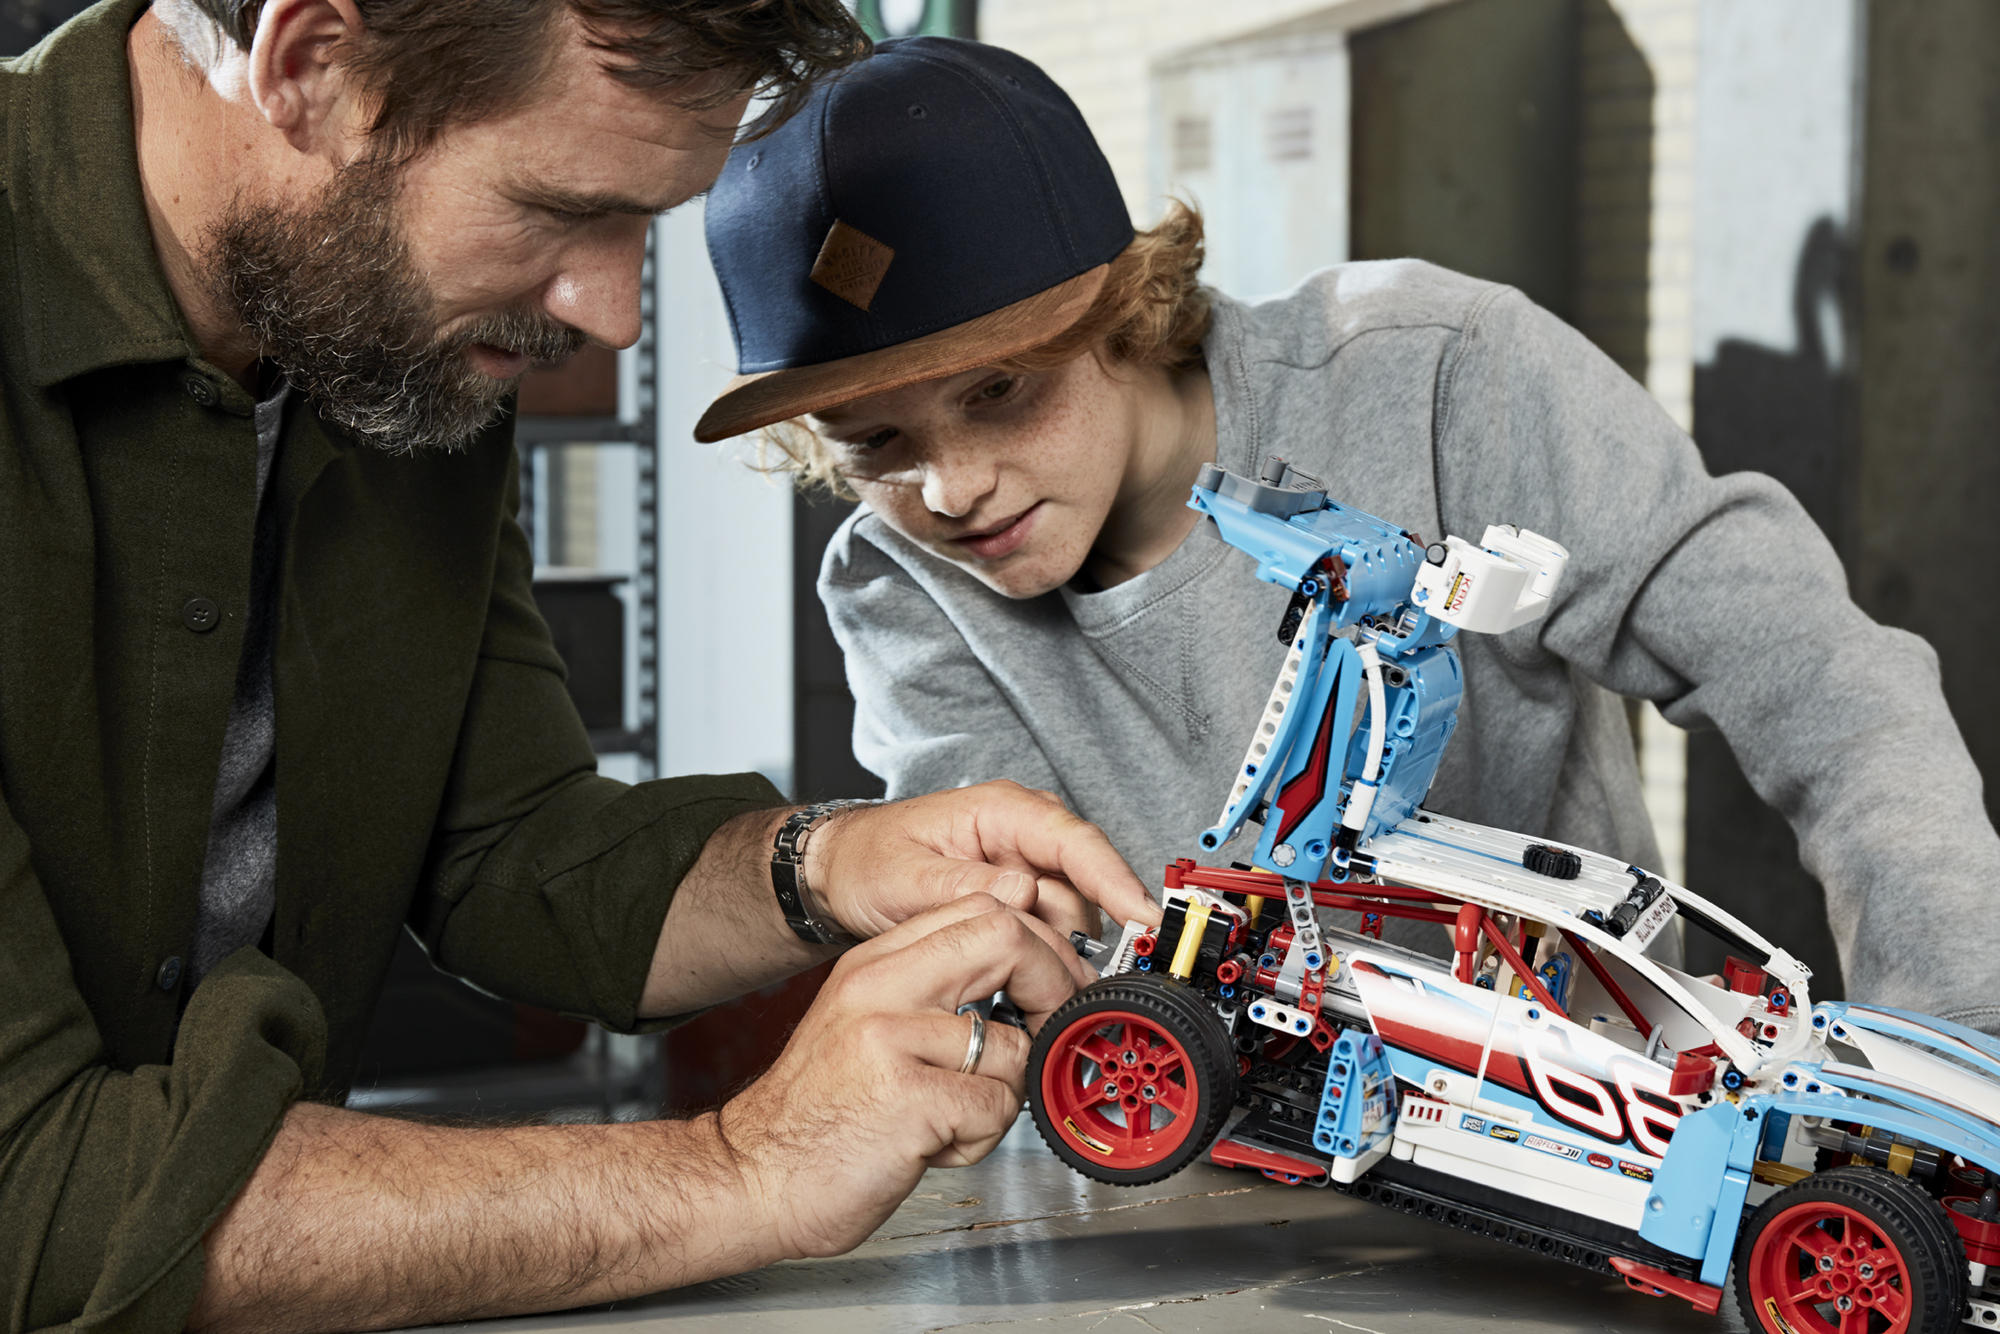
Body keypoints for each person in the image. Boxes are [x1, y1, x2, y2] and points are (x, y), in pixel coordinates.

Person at [0, 3, 1163, 1330]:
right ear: (311, 63)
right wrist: (748, 1166)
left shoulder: (378, 336)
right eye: (558, 209)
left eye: (645, 225)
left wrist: (827, 864)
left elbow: (507, 850)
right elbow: (29, 1188)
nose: (611, 313)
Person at [694, 37, 1999, 1036]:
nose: (953, 490)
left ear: (1123, 306)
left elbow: (1823, 684)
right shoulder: (898, 587)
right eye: (876, 442)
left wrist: (1949, 1054)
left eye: (999, 392)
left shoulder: (1439, 377)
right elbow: (1030, 959)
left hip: (1585, 1137)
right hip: (1203, 1202)